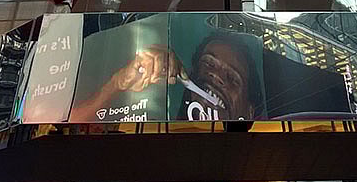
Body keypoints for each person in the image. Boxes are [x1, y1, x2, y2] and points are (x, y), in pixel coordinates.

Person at [69, 33, 260, 121]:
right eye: (208, 63)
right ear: (191, 75)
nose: (216, 76)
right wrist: (116, 85)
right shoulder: (151, 125)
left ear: (250, 113)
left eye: (233, 79)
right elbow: (57, 134)